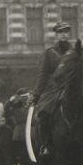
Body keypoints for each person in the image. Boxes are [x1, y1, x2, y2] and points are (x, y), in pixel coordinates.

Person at [31, 22, 73, 157]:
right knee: (44, 113)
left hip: (73, 89)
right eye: (61, 32)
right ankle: (45, 144)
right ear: (56, 35)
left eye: (66, 32)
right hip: (55, 90)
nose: (64, 35)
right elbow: (43, 75)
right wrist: (37, 94)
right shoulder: (49, 53)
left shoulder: (75, 52)